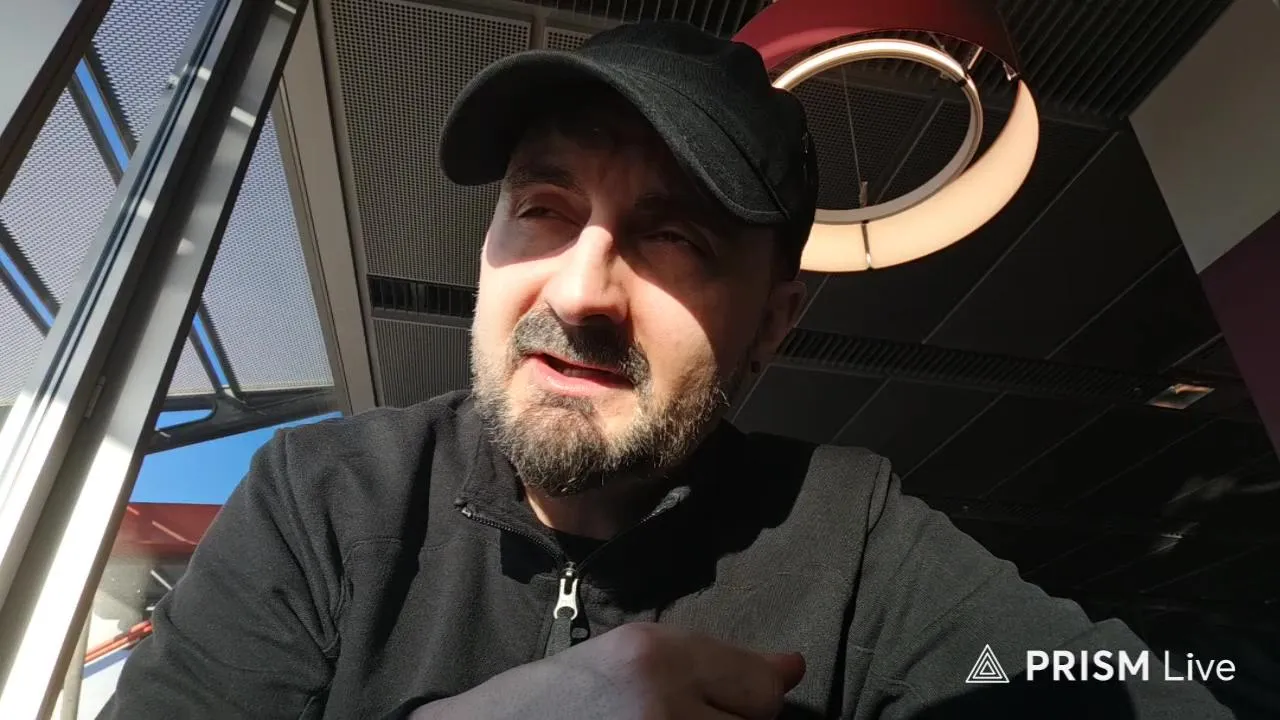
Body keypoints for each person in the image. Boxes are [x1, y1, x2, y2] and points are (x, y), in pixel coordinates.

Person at [102, 19, 1234, 720]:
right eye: (543, 209)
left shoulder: (848, 534)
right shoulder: (323, 498)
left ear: (771, 324)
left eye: (675, 237)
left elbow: (1125, 694)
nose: (579, 291)